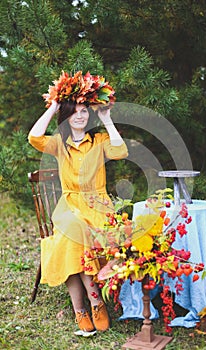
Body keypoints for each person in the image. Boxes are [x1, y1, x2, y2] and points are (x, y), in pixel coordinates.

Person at [28, 71, 128, 334]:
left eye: (84, 110)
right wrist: (54, 106)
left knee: (74, 240)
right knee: (73, 234)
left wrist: (106, 119)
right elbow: (34, 137)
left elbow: (121, 151)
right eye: (74, 111)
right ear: (67, 116)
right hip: (70, 206)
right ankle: (89, 306)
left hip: (98, 205)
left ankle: (88, 306)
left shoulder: (99, 140)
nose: (81, 115)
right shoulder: (60, 144)